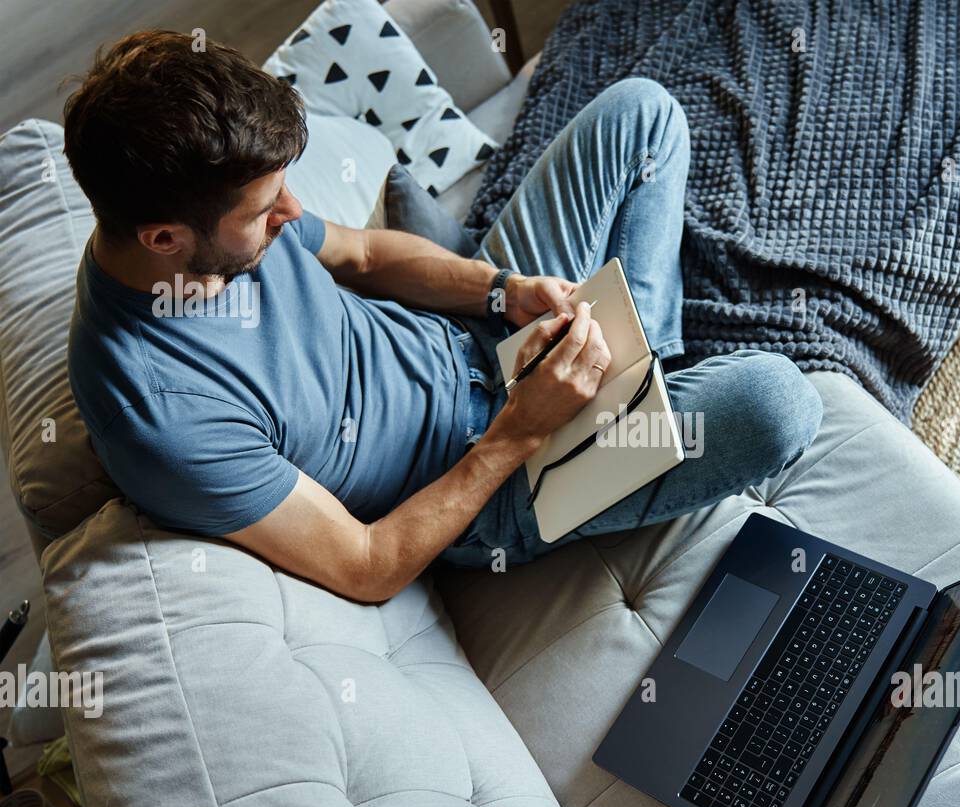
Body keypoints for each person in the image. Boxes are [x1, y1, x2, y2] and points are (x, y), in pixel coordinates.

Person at [62, 31, 823, 603]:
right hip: (493, 478)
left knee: (642, 115)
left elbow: (361, 255)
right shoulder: (161, 415)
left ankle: (628, 383)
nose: (293, 215)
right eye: (265, 212)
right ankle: (624, 394)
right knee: (778, 402)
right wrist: (525, 426)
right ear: (165, 239)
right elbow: (366, 565)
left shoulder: (214, 224)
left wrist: (501, 289)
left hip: (477, 343)